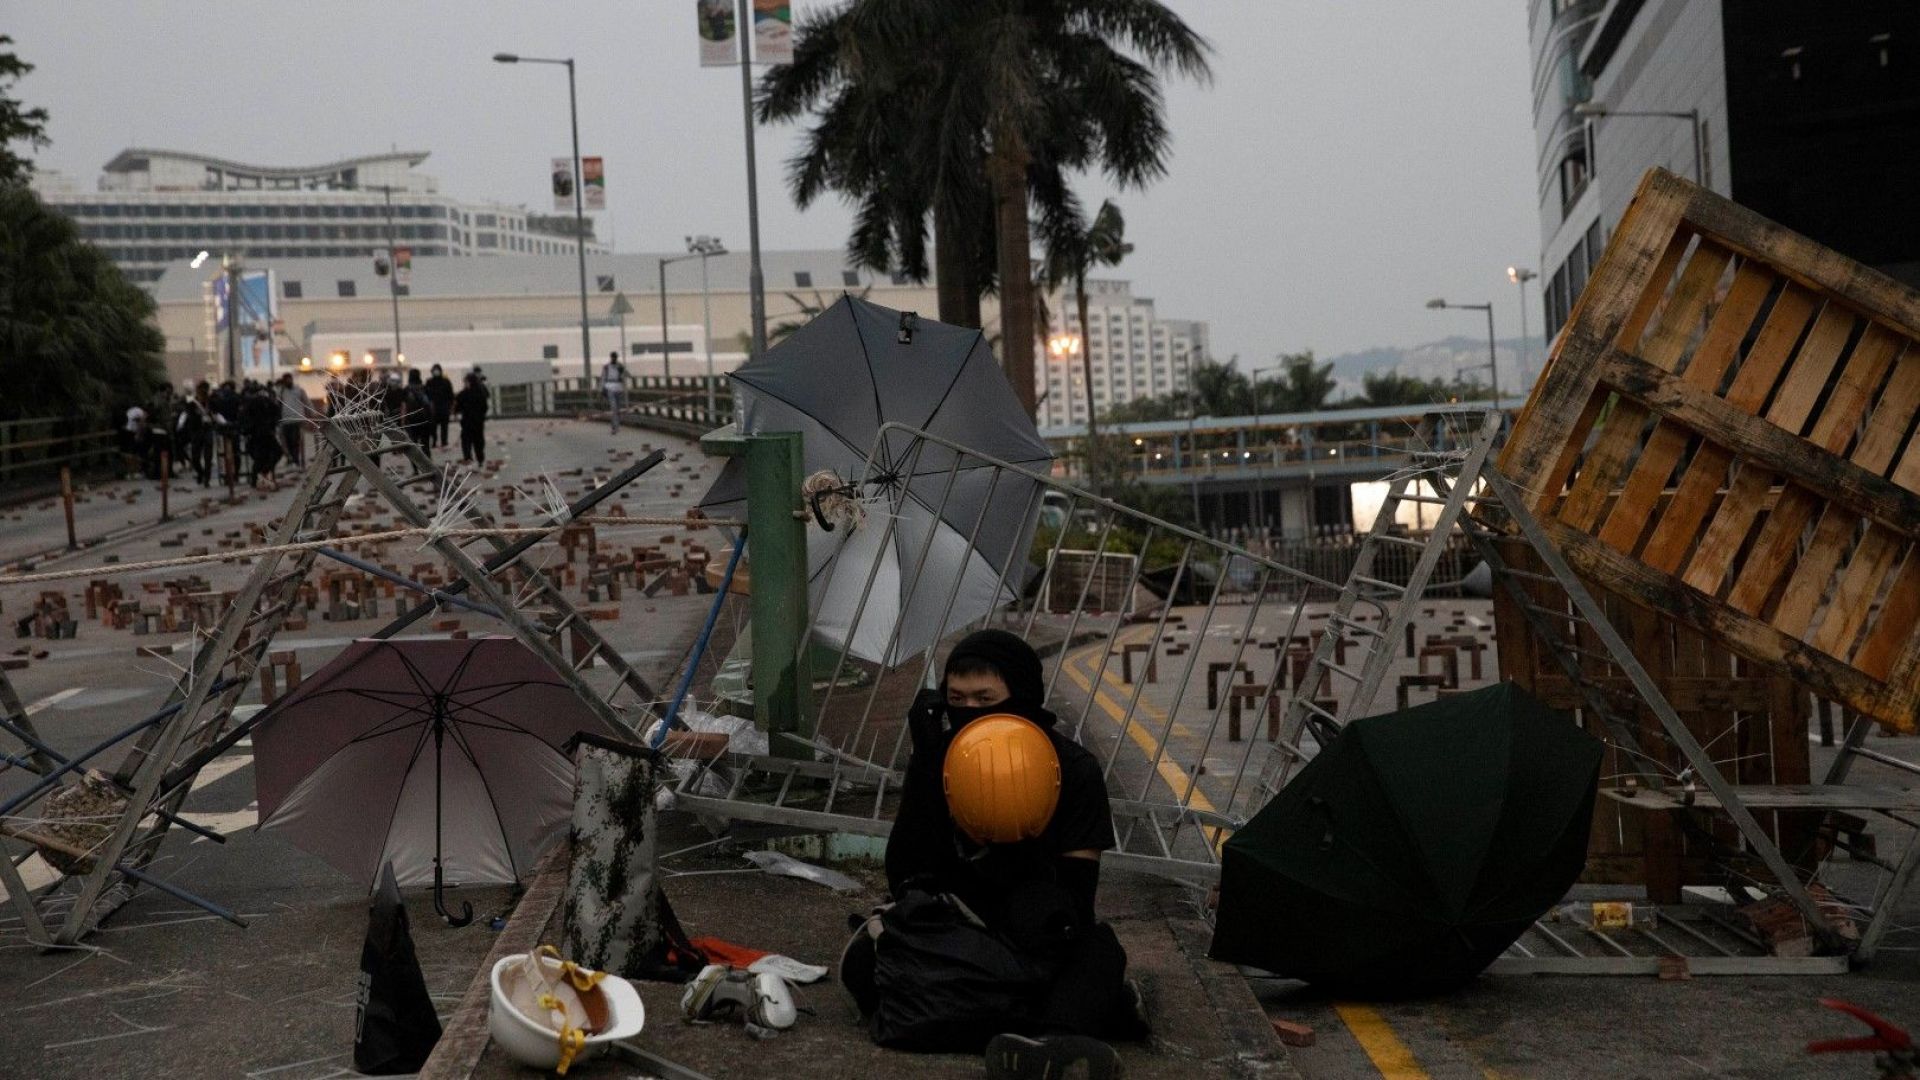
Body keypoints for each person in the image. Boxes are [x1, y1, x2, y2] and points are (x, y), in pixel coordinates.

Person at [842, 629, 1145, 1079]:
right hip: (957, 930)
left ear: (1021, 697)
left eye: (986, 699)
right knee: (866, 958)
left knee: (1099, 948)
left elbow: (1077, 904)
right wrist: (926, 767)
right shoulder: (942, 759)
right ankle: (1095, 1010)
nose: (969, 711)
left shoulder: (1074, 769)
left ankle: (1054, 1044)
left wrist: (1011, 845)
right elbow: (904, 875)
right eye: (957, 699)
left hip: (1034, 934)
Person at [454, 372, 488, 464]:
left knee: (472, 441)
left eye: (466, 382)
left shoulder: (468, 393)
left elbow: (457, 406)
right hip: (474, 422)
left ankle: (472, 457)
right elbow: (485, 407)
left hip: (471, 421)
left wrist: (457, 412)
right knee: (473, 441)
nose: (465, 384)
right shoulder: (478, 393)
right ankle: (473, 457)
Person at [277, 373, 309, 467]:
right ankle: (292, 459)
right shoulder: (281, 391)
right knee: (287, 442)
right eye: (286, 380)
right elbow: (278, 404)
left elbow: (306, 402)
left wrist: (311, 414)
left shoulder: (299, 390)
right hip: (286, 420)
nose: (288, 382)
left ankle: (296, 460)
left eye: (289, 379)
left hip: (297, 419)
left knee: (295, 441)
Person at [403, 368, 435, 448]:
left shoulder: (407, 389)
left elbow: (404, 406)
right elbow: (431, 405)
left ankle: (416, 456)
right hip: (424, 419)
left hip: (411, 419)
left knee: (413, 444)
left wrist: (403, 421)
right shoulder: (425, 388)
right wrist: (431, 418)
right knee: (425, 444)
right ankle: (425, 456)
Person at [425, 364, 455, 450]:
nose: (436, 372)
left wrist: (451, 407)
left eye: (437, 370)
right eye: (434, 370)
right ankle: (434, 441)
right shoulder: (429, 382)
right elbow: (426, 395)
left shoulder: (446, 382)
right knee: (432, 427)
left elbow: (451, 395)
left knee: (444, 427)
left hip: (444, 408)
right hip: (433, 409)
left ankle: (444, 442)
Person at [600, 352, 627, 434]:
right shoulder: (606, 367)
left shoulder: (620, 366)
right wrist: (602, 389)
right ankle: (614, 426)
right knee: (614, 407)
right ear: (611, 358)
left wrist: (622, 372)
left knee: (618, 408)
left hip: (618, 388)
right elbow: (603, 378)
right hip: (610, 387)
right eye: (613, 357)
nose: (614, 359)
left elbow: (626, 375)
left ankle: (616, 425)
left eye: (615, 357)